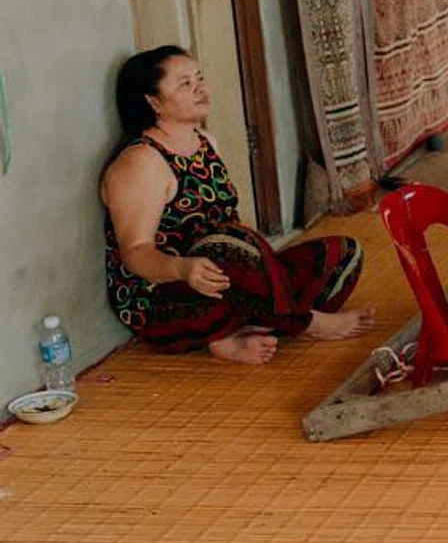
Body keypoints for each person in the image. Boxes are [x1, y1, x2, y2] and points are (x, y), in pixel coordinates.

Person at [102, 46, 373, 365]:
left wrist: (257, 267)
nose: (200, 88)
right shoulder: (140, 162)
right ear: (154, 102)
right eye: (185, 84)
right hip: (166, 298)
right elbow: (135, 254)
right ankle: (305, 323)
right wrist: (183, 268)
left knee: (343, 255)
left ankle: (237, 331)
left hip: (225, 280)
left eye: (199, 78)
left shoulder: (206, 142)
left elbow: (231, 228)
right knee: (228, 245)